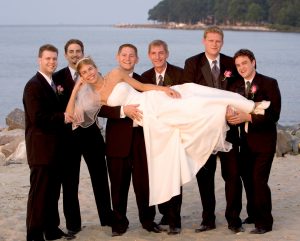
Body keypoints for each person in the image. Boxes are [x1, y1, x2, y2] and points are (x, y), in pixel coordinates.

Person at [66, 57, 261, 225]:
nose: (89, 73)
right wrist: (76, 89)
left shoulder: (116, 73)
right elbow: (70, 114)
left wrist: (164, 89)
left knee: (191, 97)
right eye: (84, 73)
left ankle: (246, 106)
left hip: (152, 101)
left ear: (95, 67)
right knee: (185, 122)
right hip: (147, 120)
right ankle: (225, 112)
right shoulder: (95, 97)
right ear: (82, 76)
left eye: (90, 68)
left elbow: (142, 87)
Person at [182, 25, 245, 233]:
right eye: (211, 40)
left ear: (222, 42)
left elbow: (238, 90)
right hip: (204, 130)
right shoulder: (192, 63)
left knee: (233, 175)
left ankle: (233, 219)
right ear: (204, 41)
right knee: (205, 177)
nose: (214, 44)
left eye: (218, 41)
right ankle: (207, 219)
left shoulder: (230, 63)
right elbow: (188, 95)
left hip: (229, 129)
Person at [98, 44, 161, 236]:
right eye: (124, 55)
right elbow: (98, 108)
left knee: (144, 183)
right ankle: (119, 223)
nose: (127, 58)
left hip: (142, 139)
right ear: (118, 57)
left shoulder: (144, 81)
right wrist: (122, 111)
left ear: (137, 59)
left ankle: (148, 220)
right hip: (117, 140)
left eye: (131, 55)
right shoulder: (108, 79)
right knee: (118, 184)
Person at [53, 39, 113, 235]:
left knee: (100, 178)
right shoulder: (58, 78)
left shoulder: (94, 75)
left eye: (78, 51)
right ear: (65, 55)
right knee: (70, 181)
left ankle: (107, 219)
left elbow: (103, 103)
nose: (75, 54)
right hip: (68, 137)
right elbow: (56, 106)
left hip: (92, 134)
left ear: (83, 53)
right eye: (71, 51)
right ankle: (73, 224)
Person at [23, 44, 74, 241]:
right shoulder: (33, 85)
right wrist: (63, 117)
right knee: (39, 194)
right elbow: (37, 117)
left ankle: (51, 229)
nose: (52, 62)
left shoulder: (54, 84)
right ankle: (34, 234)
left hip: (56, 149)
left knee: (53, 192)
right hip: (41, 150)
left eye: (54, 59)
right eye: (47, 59)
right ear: (39, 60)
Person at [227, 49, 281, 234]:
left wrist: (248, 117)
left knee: (259, 180)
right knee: (248, 180)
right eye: (238, 65)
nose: (241, 67)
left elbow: (273, 115)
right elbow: (229, 110)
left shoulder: (269, 83)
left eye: (245, 63)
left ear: (253, 62)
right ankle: (253, 214)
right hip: (243, 143)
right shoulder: (234, 86)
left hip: (264, 142)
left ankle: (265, 222)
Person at [141, 39, 183, 235]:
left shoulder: (179, 74)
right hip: (154, 135)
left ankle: (175, 221)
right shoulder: (144, 77)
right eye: (154, 53)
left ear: (167, 54)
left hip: (174, 132)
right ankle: (164, 213)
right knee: (158, 176)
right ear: (149, 56)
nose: (157, 57)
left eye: (161, 53)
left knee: (174, 176)